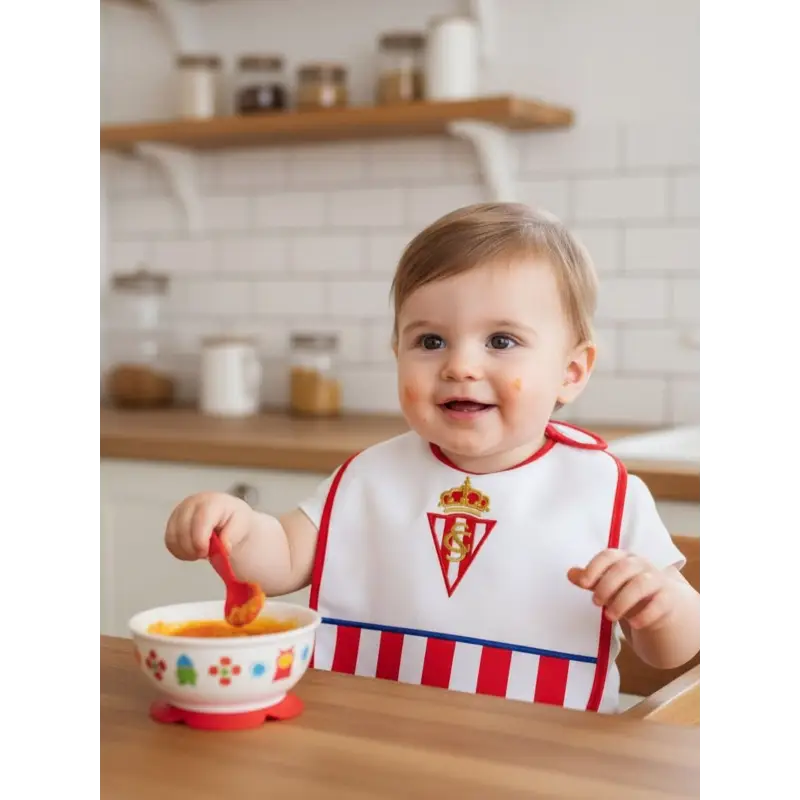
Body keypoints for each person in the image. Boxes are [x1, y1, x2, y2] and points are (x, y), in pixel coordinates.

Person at [164, 203, 701, 713]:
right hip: (366, 741)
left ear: (571, 372)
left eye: (501, 341)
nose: (460, 365)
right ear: (397, 352)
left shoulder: (602, 490)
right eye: (430, 341)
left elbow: (670, 652)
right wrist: (236, 529)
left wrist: (660, 607)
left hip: (541, 756)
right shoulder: (371, 475)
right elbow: (281, 559)